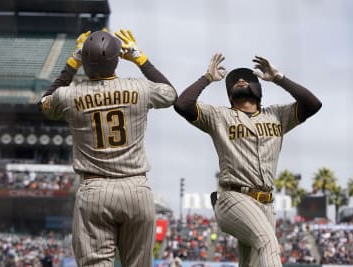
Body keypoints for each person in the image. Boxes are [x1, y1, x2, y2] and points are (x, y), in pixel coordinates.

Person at [40, 29, 177, 267]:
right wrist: (139, 57)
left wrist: (72, 62)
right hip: (136, 188)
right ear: (116, 61)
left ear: (84, 61)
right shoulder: (139, 88)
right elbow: (171, 94)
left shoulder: (68, 95)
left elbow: (45, 103)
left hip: (94, 190)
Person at [174, 53, 322, 267]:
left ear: (258, 89)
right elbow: (183, 104)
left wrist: (279, 78)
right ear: (230, 95)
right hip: (234, 197)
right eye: (234, 81)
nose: (240, 80)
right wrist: (207, 77)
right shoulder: (219, 116)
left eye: (246, 78)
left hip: (266, 204)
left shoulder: (277, 115)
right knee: (268, 242)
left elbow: (313, 104)